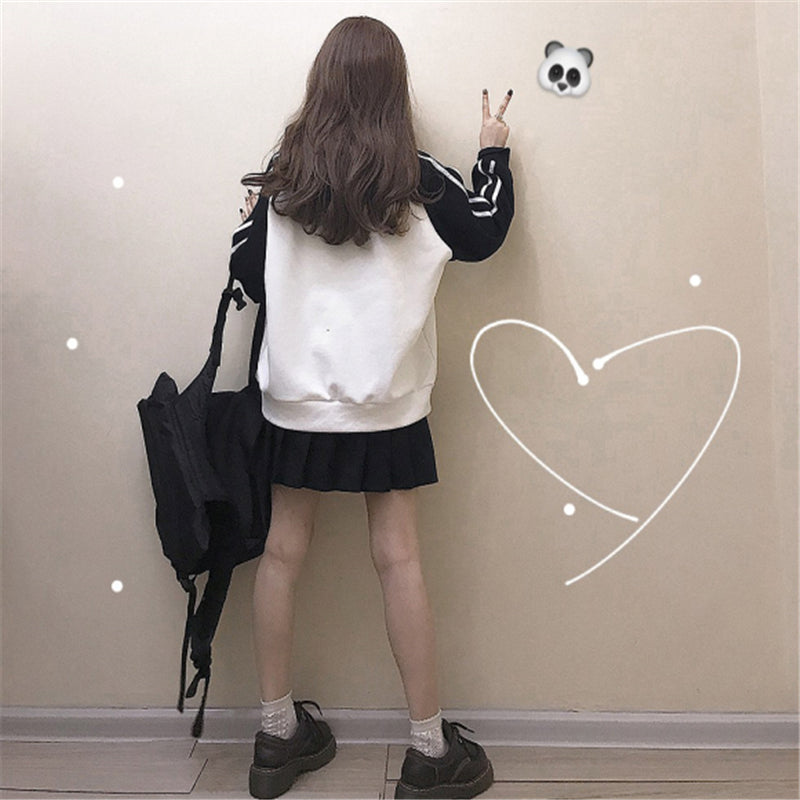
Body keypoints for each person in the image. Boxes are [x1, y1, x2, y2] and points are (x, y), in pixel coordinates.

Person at [228, 16, 514, 799]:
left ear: (322, 84)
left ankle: (276, 736)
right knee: (399, 560)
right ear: (396, 88)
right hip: (386, 406)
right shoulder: (419, 179)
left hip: (296, 404)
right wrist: (493, 149)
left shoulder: (283, 179)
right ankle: (429, 749)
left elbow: (246, 277)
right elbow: (486, 232)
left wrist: (248, 219)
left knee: (281, 556)